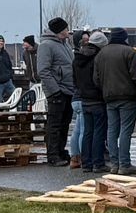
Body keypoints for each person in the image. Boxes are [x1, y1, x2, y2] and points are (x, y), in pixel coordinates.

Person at [97, 26, 136, 175]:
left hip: (109, 96)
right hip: (128, 97)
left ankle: (114, 164)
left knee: (112, 131)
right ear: (124, 37)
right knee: (125, 131)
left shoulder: (102, 53)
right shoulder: (130, 52)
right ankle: (125, 164)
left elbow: (96, 78)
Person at [37, 17, 76, 166]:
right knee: (54, 124)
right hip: (57, 91)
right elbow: (43, 70)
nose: (68, 31)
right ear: (60, 30)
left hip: (68, 89)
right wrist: (55, 90)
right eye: (66, 28)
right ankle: (52, 154)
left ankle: (61, 150)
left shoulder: (65, 44)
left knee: (64, 124)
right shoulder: (46, 46)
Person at [73, 30, 109, 174]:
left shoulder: (77, 58)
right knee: (99, 132)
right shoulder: (98, 58)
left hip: (83, 98)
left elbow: (74, 80)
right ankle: (98, 163)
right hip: (97, 99)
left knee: (87, 132)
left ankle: (86, 163)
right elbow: (99, 79)